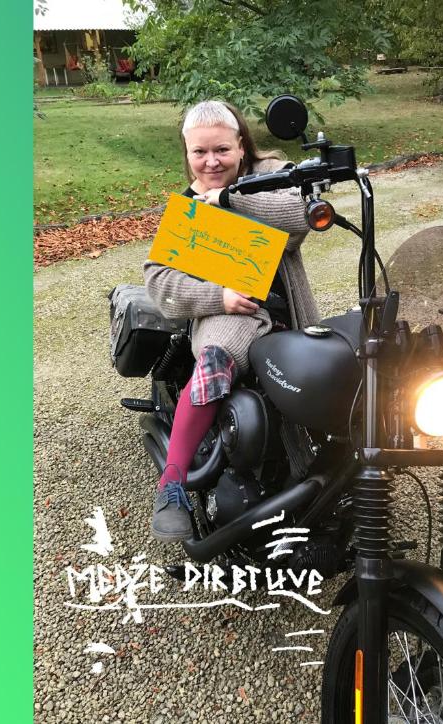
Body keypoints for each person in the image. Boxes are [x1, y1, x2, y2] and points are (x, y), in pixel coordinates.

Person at [143, 100, 319, 542]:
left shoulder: (273, 173)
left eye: (221, 149)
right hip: (227, 318)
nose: (210, 162)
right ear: (186, 154)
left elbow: (301, 218)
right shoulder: (186, 209)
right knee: (215, 362)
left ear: (241, 145)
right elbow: (159, 282)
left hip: (288, 311)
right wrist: (216, 295)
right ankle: (174, 483)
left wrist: (228, 198)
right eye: (198, 153)